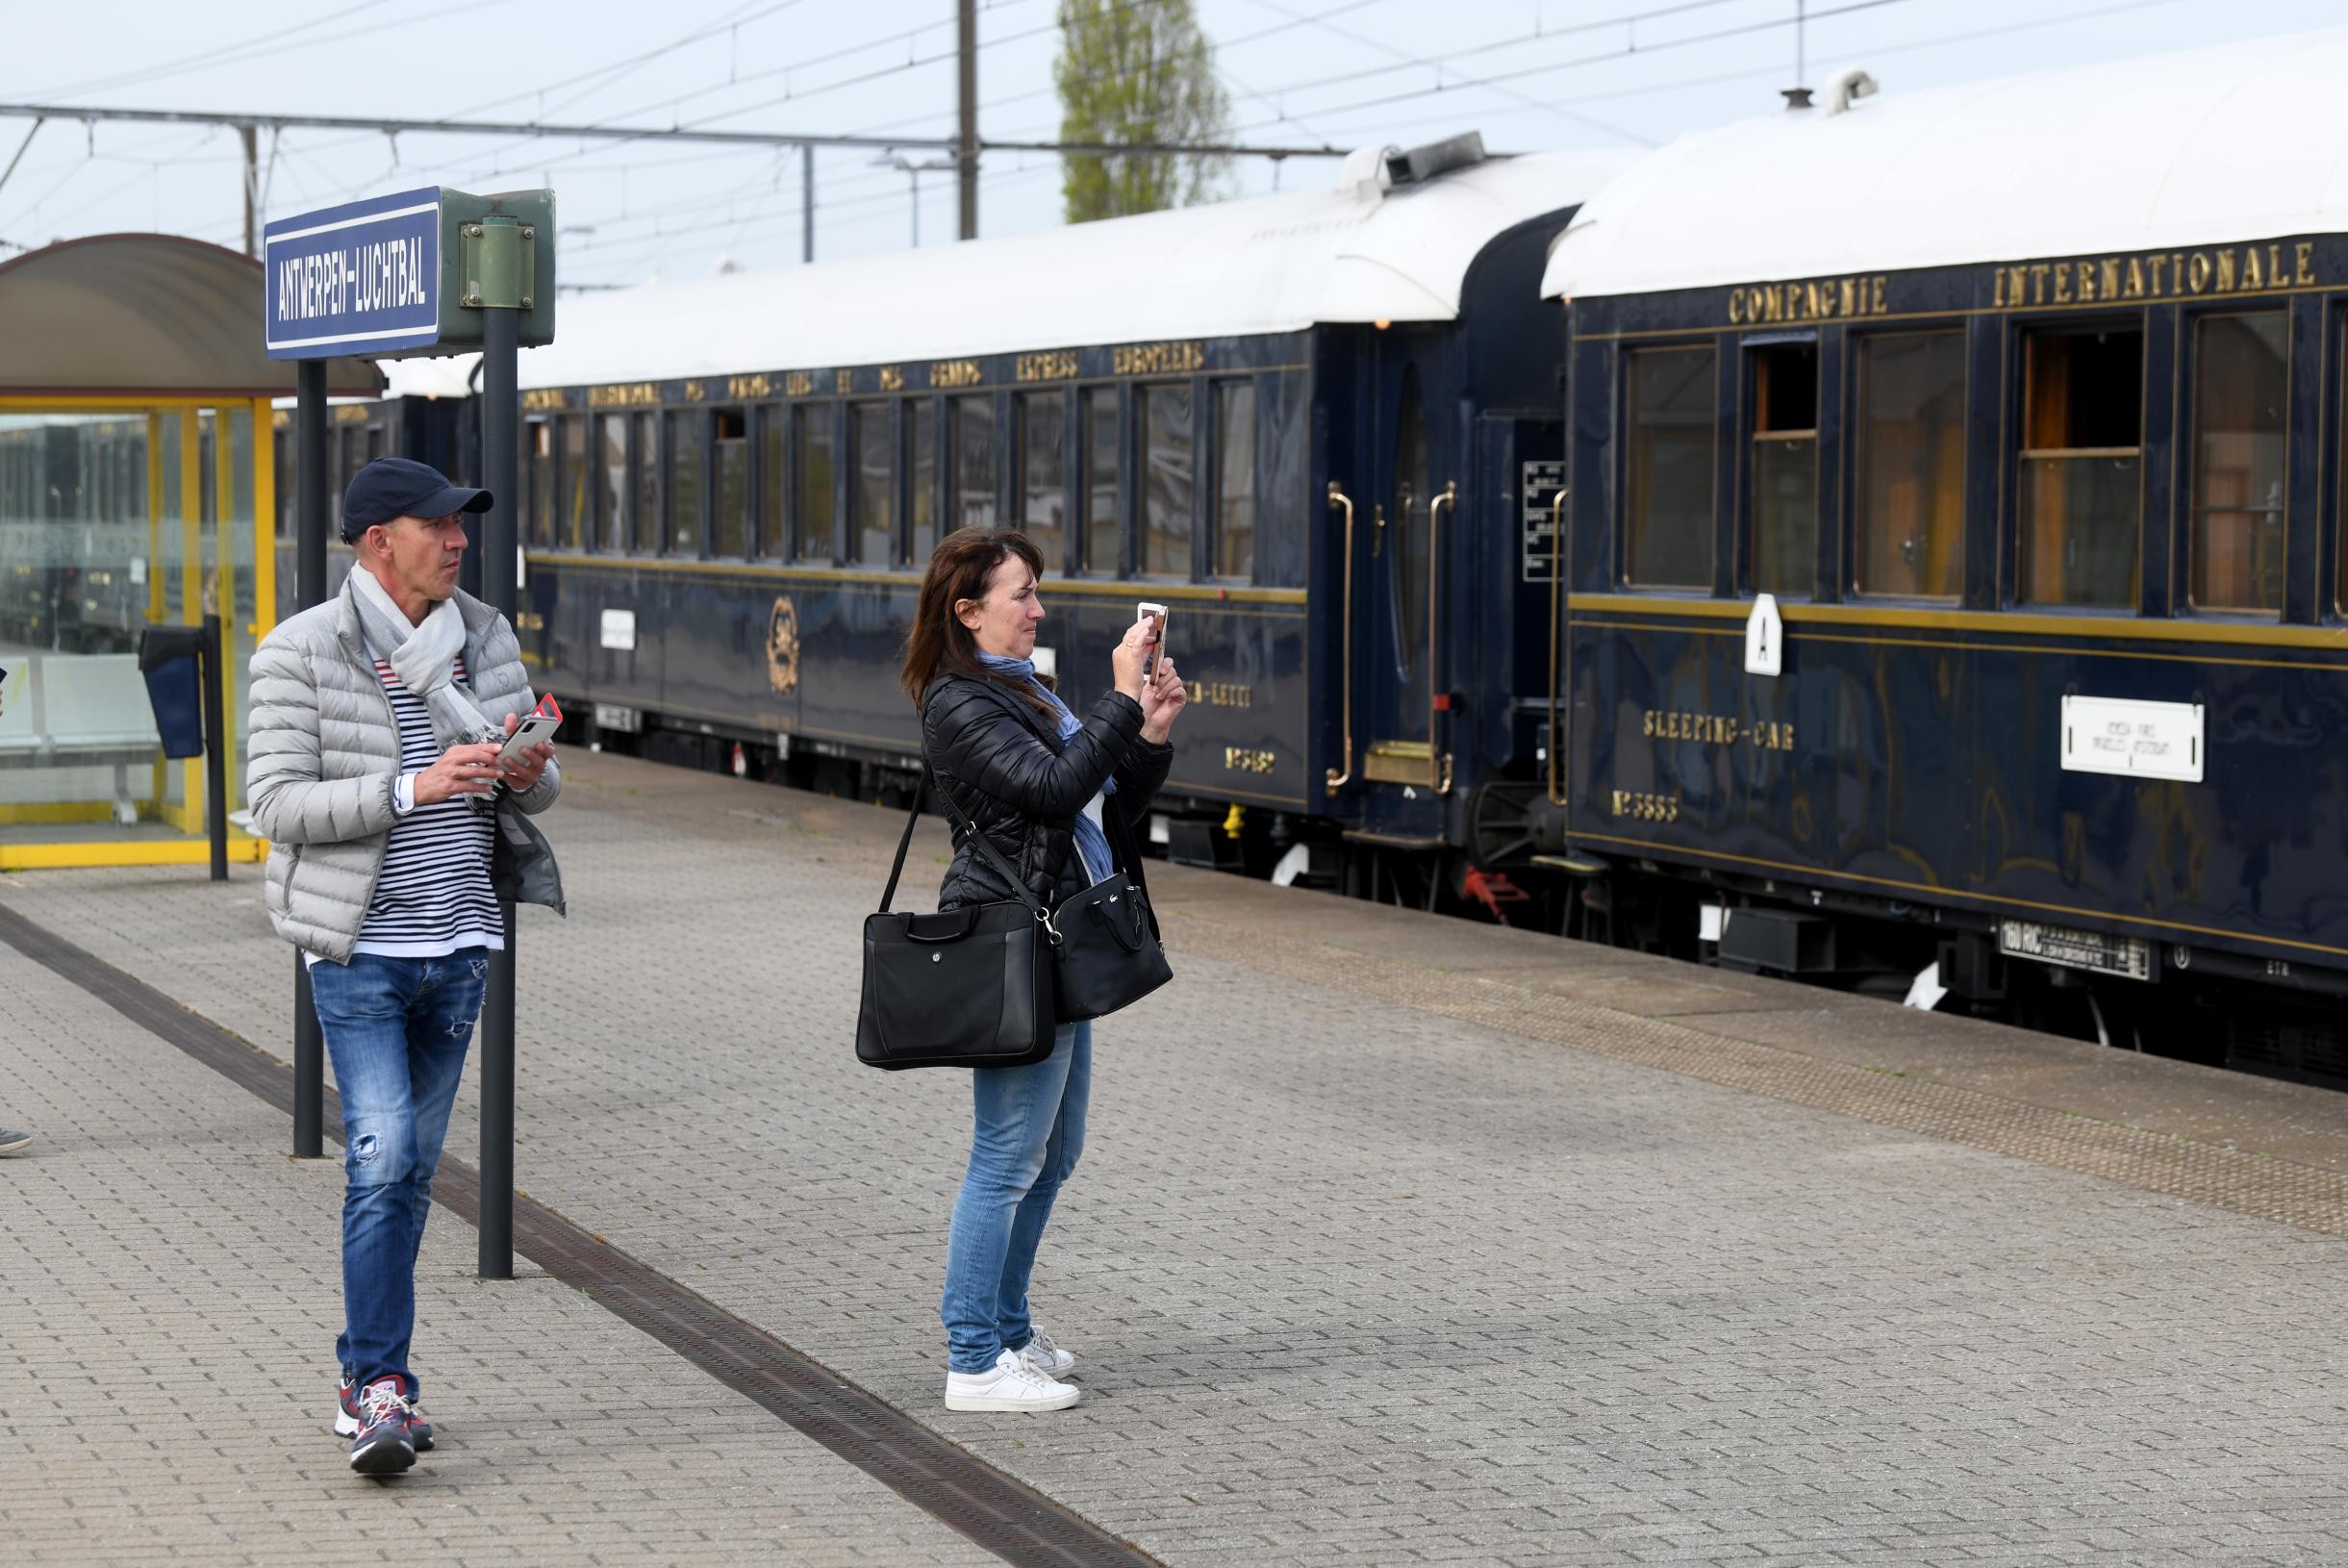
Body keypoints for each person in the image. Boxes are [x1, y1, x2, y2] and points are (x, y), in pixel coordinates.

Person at [246, 457, 564, 1476]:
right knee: (382, 1155)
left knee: (412, 1169)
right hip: (362, 952)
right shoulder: (300, 652)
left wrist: (524, 765)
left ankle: (370, 1374)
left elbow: (540, 788)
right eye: (440, 525)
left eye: (462, 525)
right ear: (379, 541)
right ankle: (378, 1388)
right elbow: (278, 807)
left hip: (461, 941)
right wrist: (413, 786)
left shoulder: (483, 634)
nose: (460, 540)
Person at [901, 526, 1187, 1413]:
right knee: (1006, 1157)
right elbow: (1053, 789)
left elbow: (1099, 804)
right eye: (1020, 594)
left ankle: (1011, 1330)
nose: (1036, 609)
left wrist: (1146, 732)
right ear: (967, 610)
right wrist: (1112, 698)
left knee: (1053, 1155)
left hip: (1060, 937)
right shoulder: (959, 702)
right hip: (1015, 942)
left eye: (1034, 591)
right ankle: (973, 1360)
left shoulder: (1024, 692)